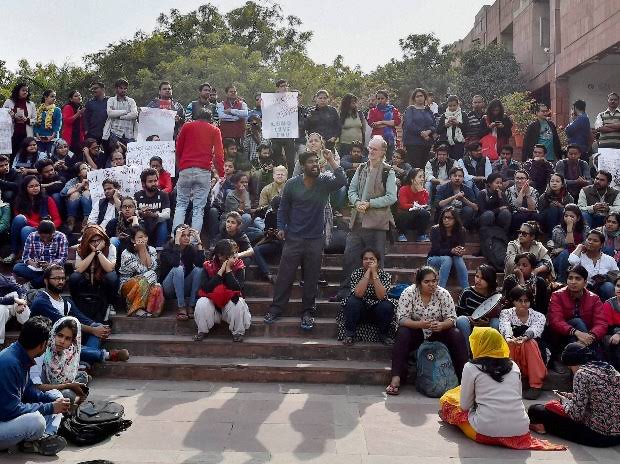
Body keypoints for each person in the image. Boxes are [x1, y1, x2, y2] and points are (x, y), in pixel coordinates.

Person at [439, 327, 564, 451]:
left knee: (448, 401)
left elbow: (465, 406)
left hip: (485, 432)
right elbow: (517, 396)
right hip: (520, 429)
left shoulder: (470, 367)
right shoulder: (513, 365)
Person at [263, 149, 347, 330]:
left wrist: (331, 160)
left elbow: (342, 181)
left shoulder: (324, 182)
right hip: (293, 237)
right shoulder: (292, 184)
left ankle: (308, 312)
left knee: (311, 277)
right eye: (311, 162)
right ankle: (276, 308)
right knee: (285, 276)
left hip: (315, 238)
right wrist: (281, 228)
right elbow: (283, 209)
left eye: (316, 161)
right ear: (302, 166)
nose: (315, 164)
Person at [386, 266, 466, 395]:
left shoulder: (443, 294)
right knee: (402, 332)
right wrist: (419, 324)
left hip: (437, 334)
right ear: (419, 283)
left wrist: (442, 325)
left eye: (434, 281)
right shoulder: (409, 293)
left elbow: (451, 319)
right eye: (427, 282)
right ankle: (396, 378)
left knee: (455, 333)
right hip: (416, 333)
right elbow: (401, 319)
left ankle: (464, 379)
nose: (431, 285)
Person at [336, 136, 397, 300]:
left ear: (383, 151)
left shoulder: (388, 171)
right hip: (357, 222)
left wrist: (370, 203)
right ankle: (346, 291)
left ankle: (376, 295)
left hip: (377, 224)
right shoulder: (361, 168)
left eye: (375, 149)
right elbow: (351, 190)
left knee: (376, 262)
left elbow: (391, 197)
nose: (371, 151)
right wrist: (356, 202)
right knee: (350, 257)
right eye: (369, 148)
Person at [30, 265, 129, 365]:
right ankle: (106, 355)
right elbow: (64, 323)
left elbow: (81, 318)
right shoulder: (41, 301)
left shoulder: (66, 301)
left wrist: (97, 326)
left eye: (63, 278)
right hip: (45, 344)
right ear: (46, 281)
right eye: (56, 278)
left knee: (96, 330)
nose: (60, 282)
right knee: (71, 341)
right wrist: (93, 330)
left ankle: (83, 364)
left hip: (65, 339)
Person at [527, 342, 620, 447]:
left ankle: (541, 426)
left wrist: (563, 404)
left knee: (536, 410)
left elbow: (575, 415)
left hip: (598, 436)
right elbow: (598, 397)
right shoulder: (610, 369)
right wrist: (569, 396)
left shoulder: (582, 373)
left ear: (571, 364)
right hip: (617, 435)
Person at [0, 316, 68, 456]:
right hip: (4, 419)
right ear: (42, 344)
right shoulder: (9, 363)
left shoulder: (20, 354)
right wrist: (50, 407)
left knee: (56, 396)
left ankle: (44, 438)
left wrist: (52, 402)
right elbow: (9, 410)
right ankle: (40, 439)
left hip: (8, 415)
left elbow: (28, 391)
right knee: (36, 421)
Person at [173, 107, 225, 235]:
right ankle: (194, 240)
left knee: (181, 205)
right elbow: (219, 155)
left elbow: (178, 148)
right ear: (211, 119)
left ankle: (176, 237)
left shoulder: (187, 126)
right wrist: (222, 174)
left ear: (197, 116)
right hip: (203, 171)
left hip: (185, 169)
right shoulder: (214, 130)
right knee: (198, 208)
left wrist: (181, 165)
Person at [194, 238, 251, 342]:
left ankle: (238, 332)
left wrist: (228, 270)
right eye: (230, 255)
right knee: (202, 302)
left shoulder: (238, 265)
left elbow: (238, 287)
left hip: (229, 306)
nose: (234, 257)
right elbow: (206, 288)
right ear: (220, 256)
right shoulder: (208, 266)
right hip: (213, 306)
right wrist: (220, 272)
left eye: (235, 254)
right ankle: (202, 330)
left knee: (238, 302)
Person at [548, 265, 607, 360]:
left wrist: (590, 337)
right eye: (570, 278)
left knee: (577, 341)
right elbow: (556, 321)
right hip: (562, 336)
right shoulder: (557, 296)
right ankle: (596, 360)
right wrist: (577, 332)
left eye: (577, 279)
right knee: (577, 321)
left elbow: (601, 323)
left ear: (585, 282)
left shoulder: (594, 298)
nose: (573, 282)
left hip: (586, 337)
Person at [499, 286, 548, 399]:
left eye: (526, 301)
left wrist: (525, 337)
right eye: (519, 300)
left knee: (529, 343)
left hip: (533, 351)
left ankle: (536, 385)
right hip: (514, 347)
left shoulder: (539, 316)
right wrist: (508, 337)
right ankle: (509, 383)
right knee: (507, 344)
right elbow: (505, 325)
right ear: (514, 301)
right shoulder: (506, 313)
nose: (523, 303)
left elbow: (536, 329)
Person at [340, 248, 395, 345]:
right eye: (365, 259)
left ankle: (383, 335)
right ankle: (350, 335)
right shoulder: (356, 273)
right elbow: (358, 294)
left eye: (372, 259)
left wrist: (374, 273)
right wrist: (367, 273)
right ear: (362, 261)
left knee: (387, 305)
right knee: (352, 301)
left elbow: (381, 296)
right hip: (361, 309)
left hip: (377, 309)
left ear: (377, 262)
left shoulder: (385, 276)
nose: (368, 261)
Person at [30, 316, 89, 405]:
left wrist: (68, 384)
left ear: (72, 342)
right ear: (54, 334)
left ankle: (72, 400)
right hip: (43, 391)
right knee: (67, 395)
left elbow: (69, 376)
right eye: (60, 335)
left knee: (83, 376)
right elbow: (37, 387)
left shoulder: (68, 352)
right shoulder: (41, 351)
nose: (62, 341)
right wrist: (67, 385)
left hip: (60, 386)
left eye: (67, 338)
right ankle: (75, 400)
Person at [69, 225, 118, 323]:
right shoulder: (81, 248)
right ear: (87, 240)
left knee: (112, 278)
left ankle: (110, 304)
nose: (96, 243)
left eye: (98, 240)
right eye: (92, 241)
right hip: (86, 275)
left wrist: (99, 252)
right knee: (74, 278)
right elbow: (79, 268)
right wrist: (92, 253)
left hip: (103, 275)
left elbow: (109, 268)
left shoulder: (110, 247)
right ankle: (75, 302)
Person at [159, 224, 205, 321]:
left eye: (188, 235)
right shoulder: (167, 249)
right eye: (183, 235)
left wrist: (199, 241)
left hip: (183, 286)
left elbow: (201, 264)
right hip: (169, 288)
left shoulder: (190, 249)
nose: (186, 238)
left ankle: (191, 305)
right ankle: (181, 306)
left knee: (199, 270)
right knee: (178, 268)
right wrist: (176, 243)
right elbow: (175, 263)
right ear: (177, 236)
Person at [10, 175, 62, 257]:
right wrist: (37, 226)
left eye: (37, 185)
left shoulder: (47, 199)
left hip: (44, 230)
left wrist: (48, 228)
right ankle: (14, 252)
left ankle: (28, 256)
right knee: (20, 220)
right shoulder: (19, 201)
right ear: (25, 188)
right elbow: (22, 219)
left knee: (26, 230)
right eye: (31, 186)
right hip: (28, 227)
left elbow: (57, 219)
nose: (35, 188)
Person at [118, 225, 163, 318]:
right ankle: (134, 309)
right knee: (147, 278)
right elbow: (143, 270)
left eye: (145, 236)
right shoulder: (126, 253)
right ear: (133, 240)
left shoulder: (152, 250)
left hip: (147, 282)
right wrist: (142, 249)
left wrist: (145, 251)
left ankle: (149, 310)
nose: (144, 239)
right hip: (128, 286)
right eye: (140, 237)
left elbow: (153, 267)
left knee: (157, 288)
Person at [455, 264, 500, 353]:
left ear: (489, 280)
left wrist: (486, 323)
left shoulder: (495, 296)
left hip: (487, 326)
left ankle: (491, 354)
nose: (478, 280)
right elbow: (458, 313)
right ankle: (467, 355)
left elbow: (498, 314)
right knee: (461, 320)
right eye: (477, 276)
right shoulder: (467, 292)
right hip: (469, 326)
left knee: (496, 322)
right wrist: (469, 319)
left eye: (482, 278)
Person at [14, 220, 68, 289]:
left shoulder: (61, 237)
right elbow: (25, 256)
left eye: (48, 238)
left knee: (55, 272)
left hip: (54, 267)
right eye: (42, 237)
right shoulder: (32, 236)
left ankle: (33, 283)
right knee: (17, 267)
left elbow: (63, 258)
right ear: (38, 233)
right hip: (37, 268)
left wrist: (50, 265)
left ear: (53, 233)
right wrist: (34, 264)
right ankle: (45, 279)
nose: (45, 240)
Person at [568, 230, 619, 301]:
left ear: (601, 245)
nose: (590, 242)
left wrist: (604, 278)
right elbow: (572, 261)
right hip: (583, 288)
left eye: (595, 241)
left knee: (608, 287)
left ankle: (608, 309)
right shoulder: (580, 256)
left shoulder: (609, 259)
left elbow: (616, 276)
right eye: (589, 239)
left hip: (602, 289)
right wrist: (579, 247)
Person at [427, 207, 469, 290]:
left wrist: (461, 250)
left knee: (458, 258)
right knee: (447, 259)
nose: (446, 220)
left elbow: (460, 247)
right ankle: (439, 290)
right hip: (434, 259)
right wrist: (451, 251)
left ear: (455, 219)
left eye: (449, 218)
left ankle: (466, 290)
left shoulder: (461, 231)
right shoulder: (435, 230)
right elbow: (435, 250)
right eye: (444, 217)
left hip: (453, 261)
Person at [548, 203, 588, 282]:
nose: (568, 219)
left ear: (578, 218)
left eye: (572, 216)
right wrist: (569, 228)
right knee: (566, 253)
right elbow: (568, 246)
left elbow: (585, 245)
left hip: (580, 255)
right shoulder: (557, 230)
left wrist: (562, 248)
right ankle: (561, 281)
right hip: (560, 259)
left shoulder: (585, 229)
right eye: (566, 216)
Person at [134, 168, 171, 247]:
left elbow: (167, 214)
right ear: (143, 183)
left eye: (155, 181)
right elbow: (132, 212)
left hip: (157, 224)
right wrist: (140, 212)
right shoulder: (137, 195)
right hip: (143, 224)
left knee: (163, 223)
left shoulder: (163, 195)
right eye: (150, 181)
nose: (154, 183)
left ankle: (159, 252)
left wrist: (154, 215)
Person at [403, 88, 436, 168]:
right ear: (414, 98)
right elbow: (409, 125)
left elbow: (434, 124)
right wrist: (421, 132)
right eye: (417, 96)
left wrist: (428, 131)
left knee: (424, 166)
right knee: (415, 167)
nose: (419, 98)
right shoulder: (410, 110)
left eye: (421, 96)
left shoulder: (429, 111)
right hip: (413, 143)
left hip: (426, 143)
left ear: (424, 97)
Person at [395, 168, 431, 242]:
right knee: (402, 213)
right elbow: (403, 205)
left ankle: (421, 235)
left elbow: (424, 205)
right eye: (420, 177)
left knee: (425, 213)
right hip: (405, 218)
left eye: (423, 177)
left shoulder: (424, 192)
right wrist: (415, 206)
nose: (422, 179)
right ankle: (401, 234)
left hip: (417, 220)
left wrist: (420, 192)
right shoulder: (403, 189)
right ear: (412, 179)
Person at [252, 196, 282, 283]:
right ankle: (268, 274)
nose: (276, 211)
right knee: (256, 249)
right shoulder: (270, 215)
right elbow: (265, 232)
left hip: (286, 244)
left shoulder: (289, 216)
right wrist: (269, 232)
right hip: (273, 242)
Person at [3, 82, 37, 157]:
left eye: (27, 91)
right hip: (12, 135)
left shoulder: (31, 104)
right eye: (23, 90)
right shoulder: (9, 102)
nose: (25, 92)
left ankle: (24, 169)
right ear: (18, 91)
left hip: (26, 135)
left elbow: (35, 120)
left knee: (25, 155)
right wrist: (12, 116)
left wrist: (27, 120)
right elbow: (2, 117)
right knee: (12, 156)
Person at [103, 78, 138, 146]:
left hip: (129, 134)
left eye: (125, 88)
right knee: (116, 154)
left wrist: (118, 115)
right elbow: (110, 113)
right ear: (116, 88)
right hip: (115, 133)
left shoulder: (131, 101)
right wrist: (127, 111)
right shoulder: (111, 100)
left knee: (130, 155)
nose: (123, 90)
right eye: (121, 88)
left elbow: (135, 114)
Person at [60, 162, 92, 232]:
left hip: (90, 205)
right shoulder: (73, 181)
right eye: (84, 168)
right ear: (79, 173)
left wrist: (89, 188)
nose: (87, 169)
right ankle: (71, 222)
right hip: (74, 205)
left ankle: (86, 223)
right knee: (75, 194)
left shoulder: (95, 178)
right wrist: (80, 186)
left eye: (87, 167)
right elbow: (63, 193)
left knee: (86, 193)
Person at [0, 273, 29, 346]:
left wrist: (21, 303)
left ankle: (29, 327)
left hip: (5, 305)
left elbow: (19, 288)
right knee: (2, 309)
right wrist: (13, 300)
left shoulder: (1, 277)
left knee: (16, 294)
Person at [437, 95, 469, 160]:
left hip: (459, 144)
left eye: (454, 105)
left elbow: (467, 128)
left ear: (458, 104)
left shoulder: (463, 115)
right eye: (450, 106)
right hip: (446, 143)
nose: (452, 108)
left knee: (458, 162)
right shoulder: (444, 116)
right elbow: (438, 130)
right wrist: (445, 125)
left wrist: (458, 123)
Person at [338, 93, 368, 158]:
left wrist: (363, 143)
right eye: (352, 102)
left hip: (358, 145)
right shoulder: (341, 114)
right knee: (345, 162)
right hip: (345, 144)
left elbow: (363, 129)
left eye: (355, 102)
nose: (354, 103)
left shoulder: (359, 114)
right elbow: (338, 129)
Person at [34, 90, 61, 155]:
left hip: (52, 138)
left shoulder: (57, 110)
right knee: (40, 157)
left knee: (51, 156)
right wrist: (37, 135)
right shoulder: (39, 109)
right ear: (45, 97)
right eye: (52, 96)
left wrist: (52, 136)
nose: (54, 98)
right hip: (39, 138)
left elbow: (58, 124)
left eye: (55, 97)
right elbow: (36, 123)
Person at [602, 276, 620, 369]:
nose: (619, 289)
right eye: (618, 286)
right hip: (612, 334)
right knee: (611, 341)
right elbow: (608, 327)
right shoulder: (608, 304)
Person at [60, 90, 85, 155]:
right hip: (70, 137)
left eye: (79, 95)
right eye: (76, 96)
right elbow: (67, 121)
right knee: (70, 156)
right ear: (71, 99)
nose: (79, 97)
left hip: (79, 137)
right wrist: (78, 114)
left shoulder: (80, 107)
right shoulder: (67, 107)